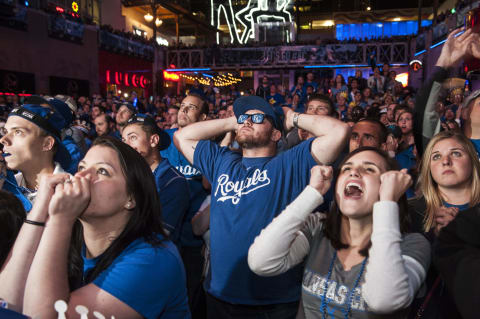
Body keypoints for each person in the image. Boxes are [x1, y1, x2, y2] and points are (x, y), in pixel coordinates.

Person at [174, 95, 349, 318]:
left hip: (274, 301)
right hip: (220, 294)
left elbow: (339, 132)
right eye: (243, 118)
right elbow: (182, 136)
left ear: (276, 133)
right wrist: (232, 122)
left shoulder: (290, 163)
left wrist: (292, 117)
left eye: (257, 117)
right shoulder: (223, 160)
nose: (247, 121)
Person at [0, 136, 190, 319]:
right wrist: (39, 210)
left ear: (131, 198)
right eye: (82, 167)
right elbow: (6, 302)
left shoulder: (154, 260)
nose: (81, 176)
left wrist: (60, 219)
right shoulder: (69, 237)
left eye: (102, 171)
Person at [248, 147, 430, 318]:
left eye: (369, 169)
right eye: (346, 169)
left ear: (389, 185)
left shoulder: (413, 245)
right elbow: (261, 262)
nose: (354, 172)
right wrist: (312, 192)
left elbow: (383, 300)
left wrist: (388, 202)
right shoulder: (319, 227)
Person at [408, 130, 480, 318]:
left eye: (456, 153)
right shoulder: (409, 211)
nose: (445, 161)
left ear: (473, 160)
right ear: (428, 168)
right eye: (436, 156)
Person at [160, 93, 210, 313]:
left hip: (192, 241)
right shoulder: (163, 139)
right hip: (163, 235)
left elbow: (210, 186)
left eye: (191, 108)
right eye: (182, 106)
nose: (184, 110)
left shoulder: (208, 147)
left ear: (203, 116)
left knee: (188, 300)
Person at [122, 114, 189, 243]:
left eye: (133, 138)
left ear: (153, 140)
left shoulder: (173, 182)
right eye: (124, 140)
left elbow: (158, 235)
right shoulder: (126, 176)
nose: (126, 146)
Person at [0, 105, 71, 210]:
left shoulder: (72, 193)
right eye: (5, 132)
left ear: (47, 144)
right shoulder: (5, 186)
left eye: (18, 132)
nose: (3, 139)